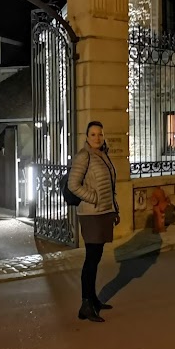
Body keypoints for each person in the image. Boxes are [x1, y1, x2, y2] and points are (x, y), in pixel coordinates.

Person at [68, 120, 120, 323]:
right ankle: (86, 304)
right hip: (91, 214)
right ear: (86, 137)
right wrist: (94, 197)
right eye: (93, 135)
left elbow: (111, 186)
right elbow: (73, 184)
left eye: (100, 134)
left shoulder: (103, 155)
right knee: (91, 260)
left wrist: (115, 208)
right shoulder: (84, 156)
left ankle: (92, 300)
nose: (97, 138)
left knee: (96, 258)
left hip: (104, 212)